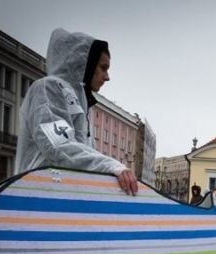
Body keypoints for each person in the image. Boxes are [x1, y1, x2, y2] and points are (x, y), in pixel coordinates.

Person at [15, 28, 137, 195]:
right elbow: (58, 146)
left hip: (61, 194)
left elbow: (84, 154)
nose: (107, 76)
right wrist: (112, 166)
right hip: (39, 194)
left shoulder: (82, 105)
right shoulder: (47, 88)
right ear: (84, 63)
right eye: (103, 68)